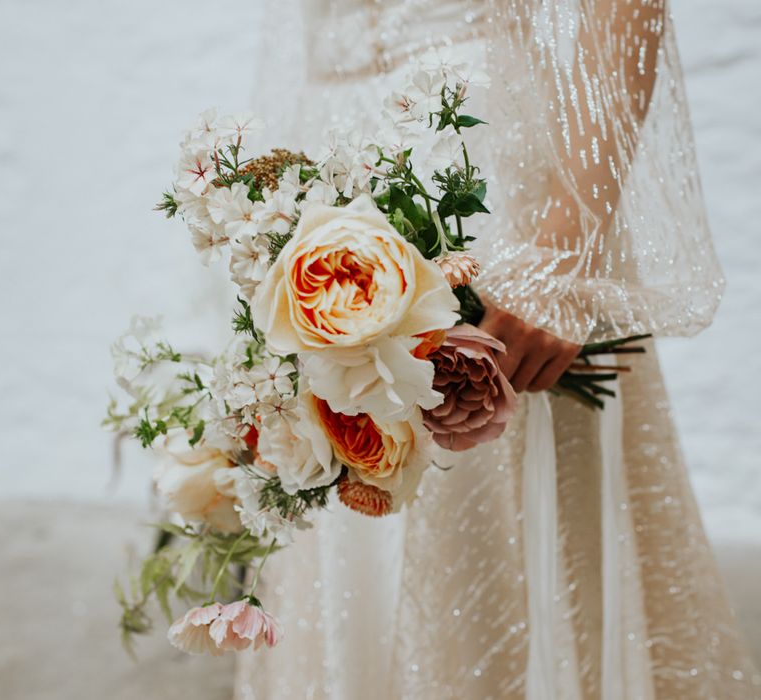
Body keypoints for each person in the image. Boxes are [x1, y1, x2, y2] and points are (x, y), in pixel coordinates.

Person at [235, 1, 761, 697]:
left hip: (473, 159)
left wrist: (564, 250)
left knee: (491, 499)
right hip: (328, 169)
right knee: (354, 491)